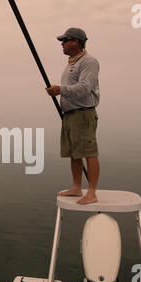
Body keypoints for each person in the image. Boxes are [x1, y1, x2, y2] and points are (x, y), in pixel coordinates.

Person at [46, 27, 100, 205]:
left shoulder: (89, 62)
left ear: (76, 41)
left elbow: (85, 88)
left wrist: (61, 90)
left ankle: (91, 193)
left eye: (65, 40)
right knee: (74, 153)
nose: (62, 43)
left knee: (89, 153)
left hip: (83, 114)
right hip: (70, 115)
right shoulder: (72, 63)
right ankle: (77, 187)